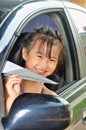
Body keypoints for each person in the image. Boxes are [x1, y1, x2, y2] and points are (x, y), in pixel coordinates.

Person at [4, 25, 65, 115]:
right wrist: (12, 98)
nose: (44, 65)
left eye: (51, 60)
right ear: (25, 53)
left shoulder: (51, 97)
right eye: (39, 56)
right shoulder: (10, 86)